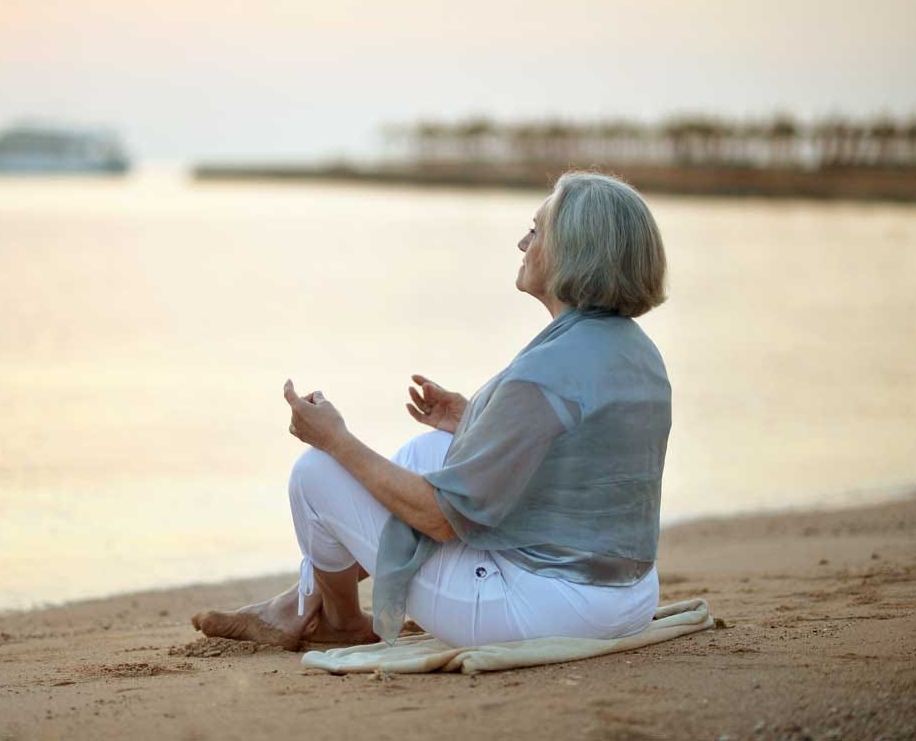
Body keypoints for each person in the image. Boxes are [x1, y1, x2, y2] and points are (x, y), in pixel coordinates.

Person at [192, 171, 670, 651]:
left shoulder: (548, 368)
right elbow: (586, 453)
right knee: (431, 448)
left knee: (315, 473)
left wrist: (334, 438)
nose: (523, 242)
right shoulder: (635, 350)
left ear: (573, 249)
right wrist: (473, 417)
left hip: (548, 608)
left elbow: (442, 519)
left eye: (537, 230)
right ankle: (305, 605)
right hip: (627, 596)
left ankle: (333, 619)